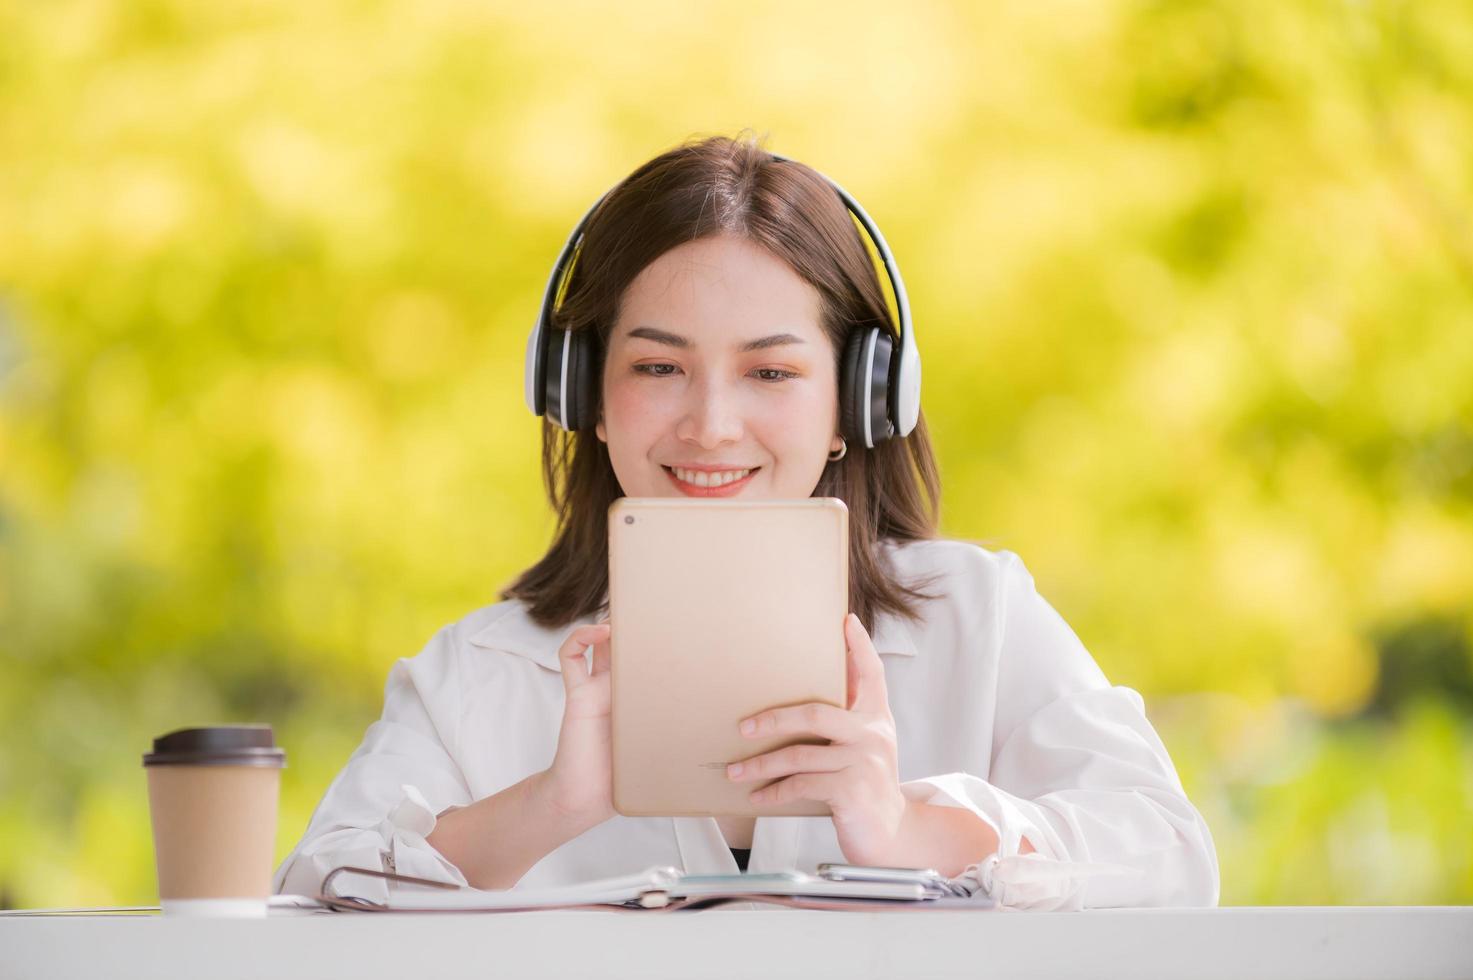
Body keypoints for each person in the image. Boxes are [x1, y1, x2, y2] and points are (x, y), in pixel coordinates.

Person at [272, 134, 1219, 911]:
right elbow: (316, 894)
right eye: (656, 368)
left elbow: (1174, 859)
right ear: (583, 398)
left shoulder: (978, 616)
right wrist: (553, 806)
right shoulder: (477, 672)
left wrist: (908, 827)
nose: (711, 424)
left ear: (859, 401)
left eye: (769, 372)